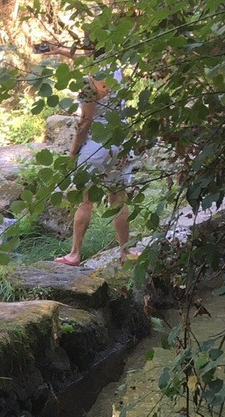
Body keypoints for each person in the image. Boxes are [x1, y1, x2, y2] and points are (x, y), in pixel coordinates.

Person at [37, 43, 138, 266]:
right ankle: (126, 251)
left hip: (97, 145)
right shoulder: (116, 71)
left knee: (86, 201)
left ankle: (74, 253)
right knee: (117, 198)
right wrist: (61, 50)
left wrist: (73, 153)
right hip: (120, 140)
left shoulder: (88, 85)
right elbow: (89, 56)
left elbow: (85, 122)